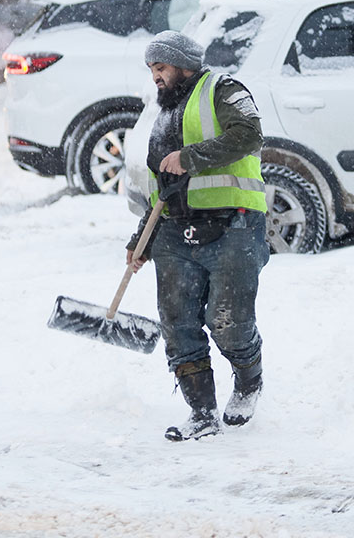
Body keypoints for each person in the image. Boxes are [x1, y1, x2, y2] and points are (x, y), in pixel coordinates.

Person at [125, 30, 270, 441]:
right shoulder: (164, 114)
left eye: (161, 68)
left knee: (228, 322)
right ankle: (201, 412)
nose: (156, 77)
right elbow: (162, 189)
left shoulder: (223, 90)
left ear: (184, 66)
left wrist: (190, 157)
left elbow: (249, 135)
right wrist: (142, 240)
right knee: (178, 324)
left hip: (234, 224)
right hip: (173, 231)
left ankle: (248, 381)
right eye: (152, 70)